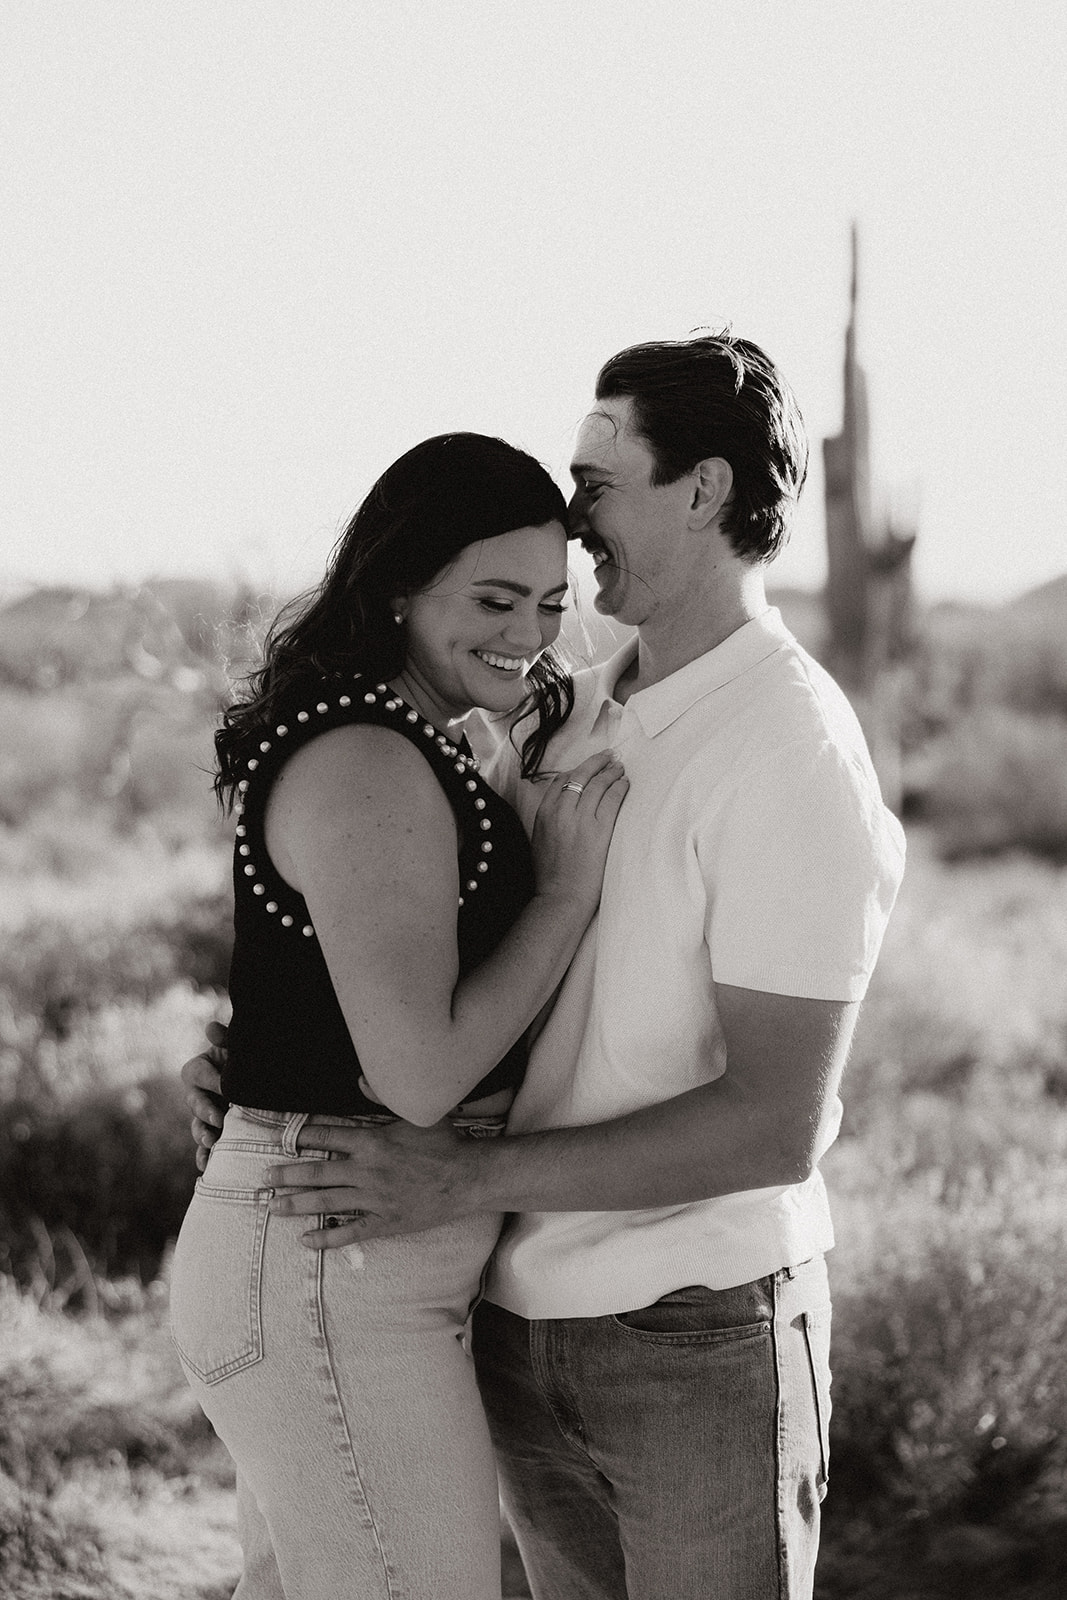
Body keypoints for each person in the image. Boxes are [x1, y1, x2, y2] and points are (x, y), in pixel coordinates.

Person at [185, 334, 906, 1600]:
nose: (571, 519)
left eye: (597, 478)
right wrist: (266, 1076)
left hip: (690, 1328)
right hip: (514, 1307)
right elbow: (391, 920)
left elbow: (778, 1123)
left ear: (703, 493)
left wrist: (460, 1171)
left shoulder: (787, 750)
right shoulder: (565, 707)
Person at [169, 430, 629, 1600]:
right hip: (332, 1272)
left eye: (547, 601)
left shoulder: (416, 740)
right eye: (490, 598)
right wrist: (568, 891)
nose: (526, 635)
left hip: (343, 1260)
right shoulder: (368, 756)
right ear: (395, 587)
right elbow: (418, 1075)